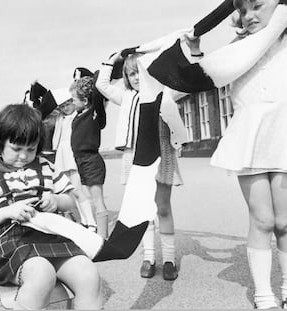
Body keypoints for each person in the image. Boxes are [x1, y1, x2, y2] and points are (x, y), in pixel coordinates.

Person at [147, 1, 287, 307]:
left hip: (284, 138)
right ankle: (264, 294)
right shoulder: (238, 48)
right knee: (262, 220)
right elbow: (199, 79)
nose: (250, 16)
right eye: (244, 9)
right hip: (251, 142)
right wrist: (194, 51)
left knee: (285, 222)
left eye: (258, 6)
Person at [0, 104, 103, 309]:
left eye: (31, 149)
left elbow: (70, 201)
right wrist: (8, 211)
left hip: (51, 237)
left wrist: (56, 200)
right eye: (16, 149)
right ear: (0, 143)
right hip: (11, 244)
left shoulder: (46, 166)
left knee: (88, 274)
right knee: (42, 273)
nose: (23, 156)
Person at [96, 51, 188, 281]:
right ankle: (149, 257)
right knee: (142, 209)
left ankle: (168, 259)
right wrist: (112, 59)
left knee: (163, 208)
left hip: (162, 155)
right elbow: (102, 84)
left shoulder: (163, 92)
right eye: (131, 74)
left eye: (140, 71)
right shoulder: (126, 96)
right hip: (135, 157)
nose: (136, 77)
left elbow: (185, 83)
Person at [69, 77, 108, 239]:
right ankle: (100, 233)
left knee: (97, 200)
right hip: (81, 161)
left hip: (91, 161)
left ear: (85, 100)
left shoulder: (94, 113)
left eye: (74, 99)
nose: (72, 103)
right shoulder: (78, 115)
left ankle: (103, 237)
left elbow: (98, 92)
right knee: (91, 198)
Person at [52, 92, 97, 231]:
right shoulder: (60, 118)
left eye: (68, 104)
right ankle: (84, 220)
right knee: (71, 190)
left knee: (79, 188)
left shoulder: (77, 116)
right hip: (62, 154)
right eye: (62, 106)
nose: (65, 108)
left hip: (73, 152)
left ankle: (91, 222)